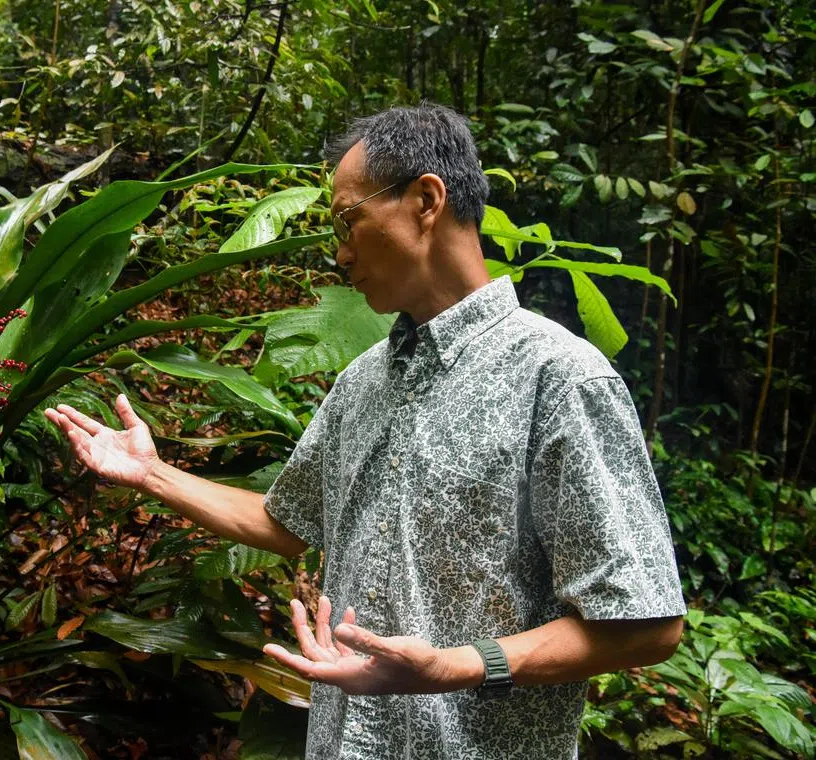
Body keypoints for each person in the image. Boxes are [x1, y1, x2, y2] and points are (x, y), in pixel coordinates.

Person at [45, 104, 686, 760]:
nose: (340, 252)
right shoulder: (363, 380)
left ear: (426, 201)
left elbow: (647, 626)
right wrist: (151, 473)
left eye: (348, 220)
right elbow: (285, 524)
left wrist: (460, 665)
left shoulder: (560, 378)